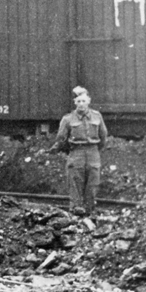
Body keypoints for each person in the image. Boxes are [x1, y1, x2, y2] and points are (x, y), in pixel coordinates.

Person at [52, 87, 108, 215]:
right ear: (75, 102)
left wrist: (95, 149)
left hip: (93, 152)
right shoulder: (68, 119)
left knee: (93, 181)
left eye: (83, 101)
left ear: (88, 101)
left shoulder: (97, 116)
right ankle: (76, 210)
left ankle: (90, 209)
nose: (81, 104)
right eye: (78, 101)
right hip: (76, 152)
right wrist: (71, 151)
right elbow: (61, 139)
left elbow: (103, 136)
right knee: (75, 180)